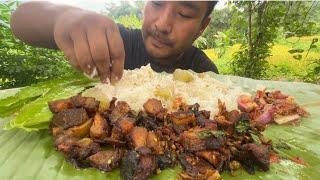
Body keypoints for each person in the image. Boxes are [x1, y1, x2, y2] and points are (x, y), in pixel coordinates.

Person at [10, 1, 219, 84]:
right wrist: (62, 19)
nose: (163, 24)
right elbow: (20, 20)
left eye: (184, 13)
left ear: (202, 26)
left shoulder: (205, 73)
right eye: (156, 2)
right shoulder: (117, 43)